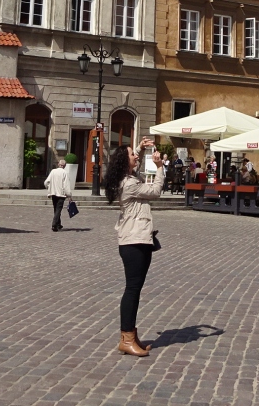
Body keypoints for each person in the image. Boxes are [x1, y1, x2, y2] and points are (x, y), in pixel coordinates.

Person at [106, 138, 165, 357]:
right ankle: (126, 338)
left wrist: (139, 148)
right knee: (132, 289)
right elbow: (155, 191)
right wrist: (159, 168)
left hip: (134, 239)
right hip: (134, 241)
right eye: (132, 154)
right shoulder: (130, 184)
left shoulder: (125, 178)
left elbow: (134, 168)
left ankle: (130, 335)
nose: (136, 157)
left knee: (134, 289)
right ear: (125, 161)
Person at [44, 157, 72, 232]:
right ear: (64, 166)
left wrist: (49, 188)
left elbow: (46, 182)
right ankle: (54, 224)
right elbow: (66, 185)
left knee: (56, 209)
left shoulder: (53, 171)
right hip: (61, 194)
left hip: (53, 193)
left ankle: (58, 224)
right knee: (58, 210)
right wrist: (69, 195)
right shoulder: (65, 173)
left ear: (58, 164)